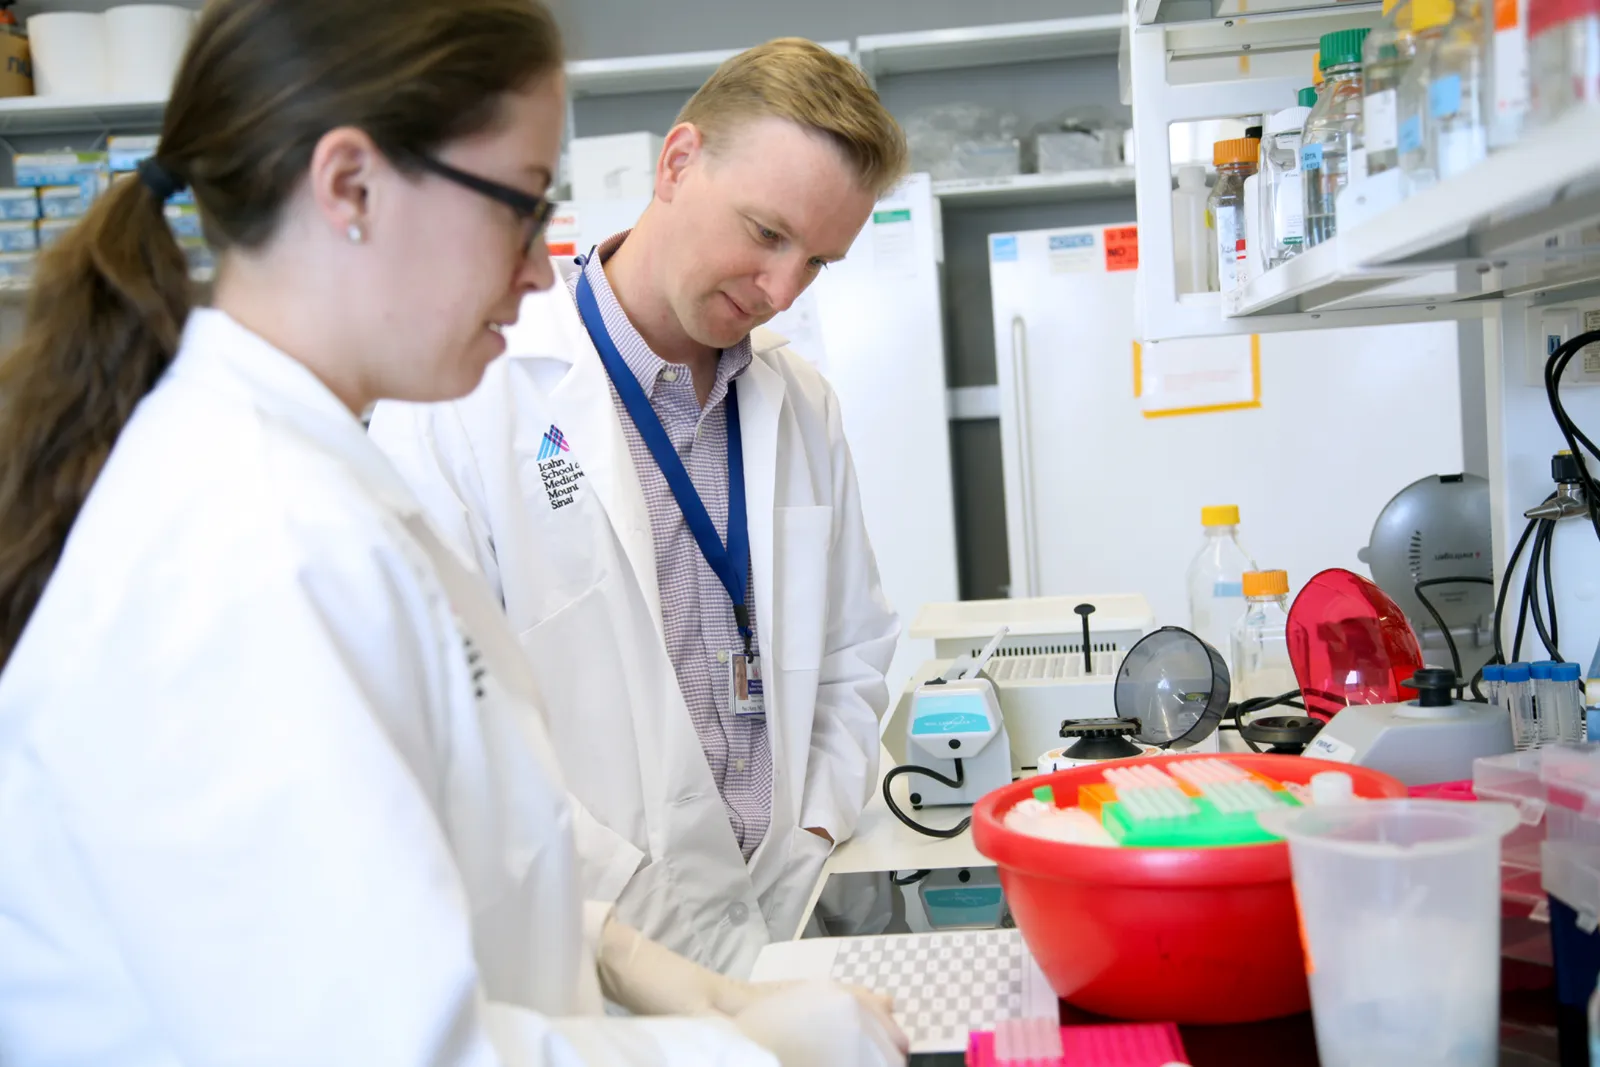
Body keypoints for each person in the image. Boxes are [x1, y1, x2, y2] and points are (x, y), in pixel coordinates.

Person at [0, 3, 906, 1064]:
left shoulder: (321, 486)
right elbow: (383, 1047)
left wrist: (656, 971)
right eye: (520, 206)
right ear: (350, 188)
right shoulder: (244, 541)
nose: (536, 272)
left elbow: (459, 838)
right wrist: (751, 1050)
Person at [369, 38, 906, 979]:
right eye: (767, 233)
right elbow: (444, 723)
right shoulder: (471, 395)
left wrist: (815, 816)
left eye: (819, 262)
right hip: (584, 954)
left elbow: (854, 654)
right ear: (678, 162)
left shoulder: (801, 404)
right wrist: (627, 916)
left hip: (786, 917)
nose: (780, 290)